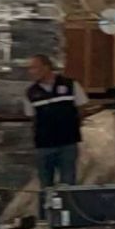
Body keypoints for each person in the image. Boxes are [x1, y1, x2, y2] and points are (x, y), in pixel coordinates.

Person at [24, 54, 89, 190]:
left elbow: (81, 108)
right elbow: (32, 117)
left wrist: (71, 125)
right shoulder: (31, 92)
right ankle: (46, 204)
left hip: (67, 143)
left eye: (34, 68)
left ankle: (67, 204)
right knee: (45, 185)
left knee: (68, 184)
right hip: (44, 145)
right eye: (29, 68)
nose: (31, 72)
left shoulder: (70, 85)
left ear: (46, 67)